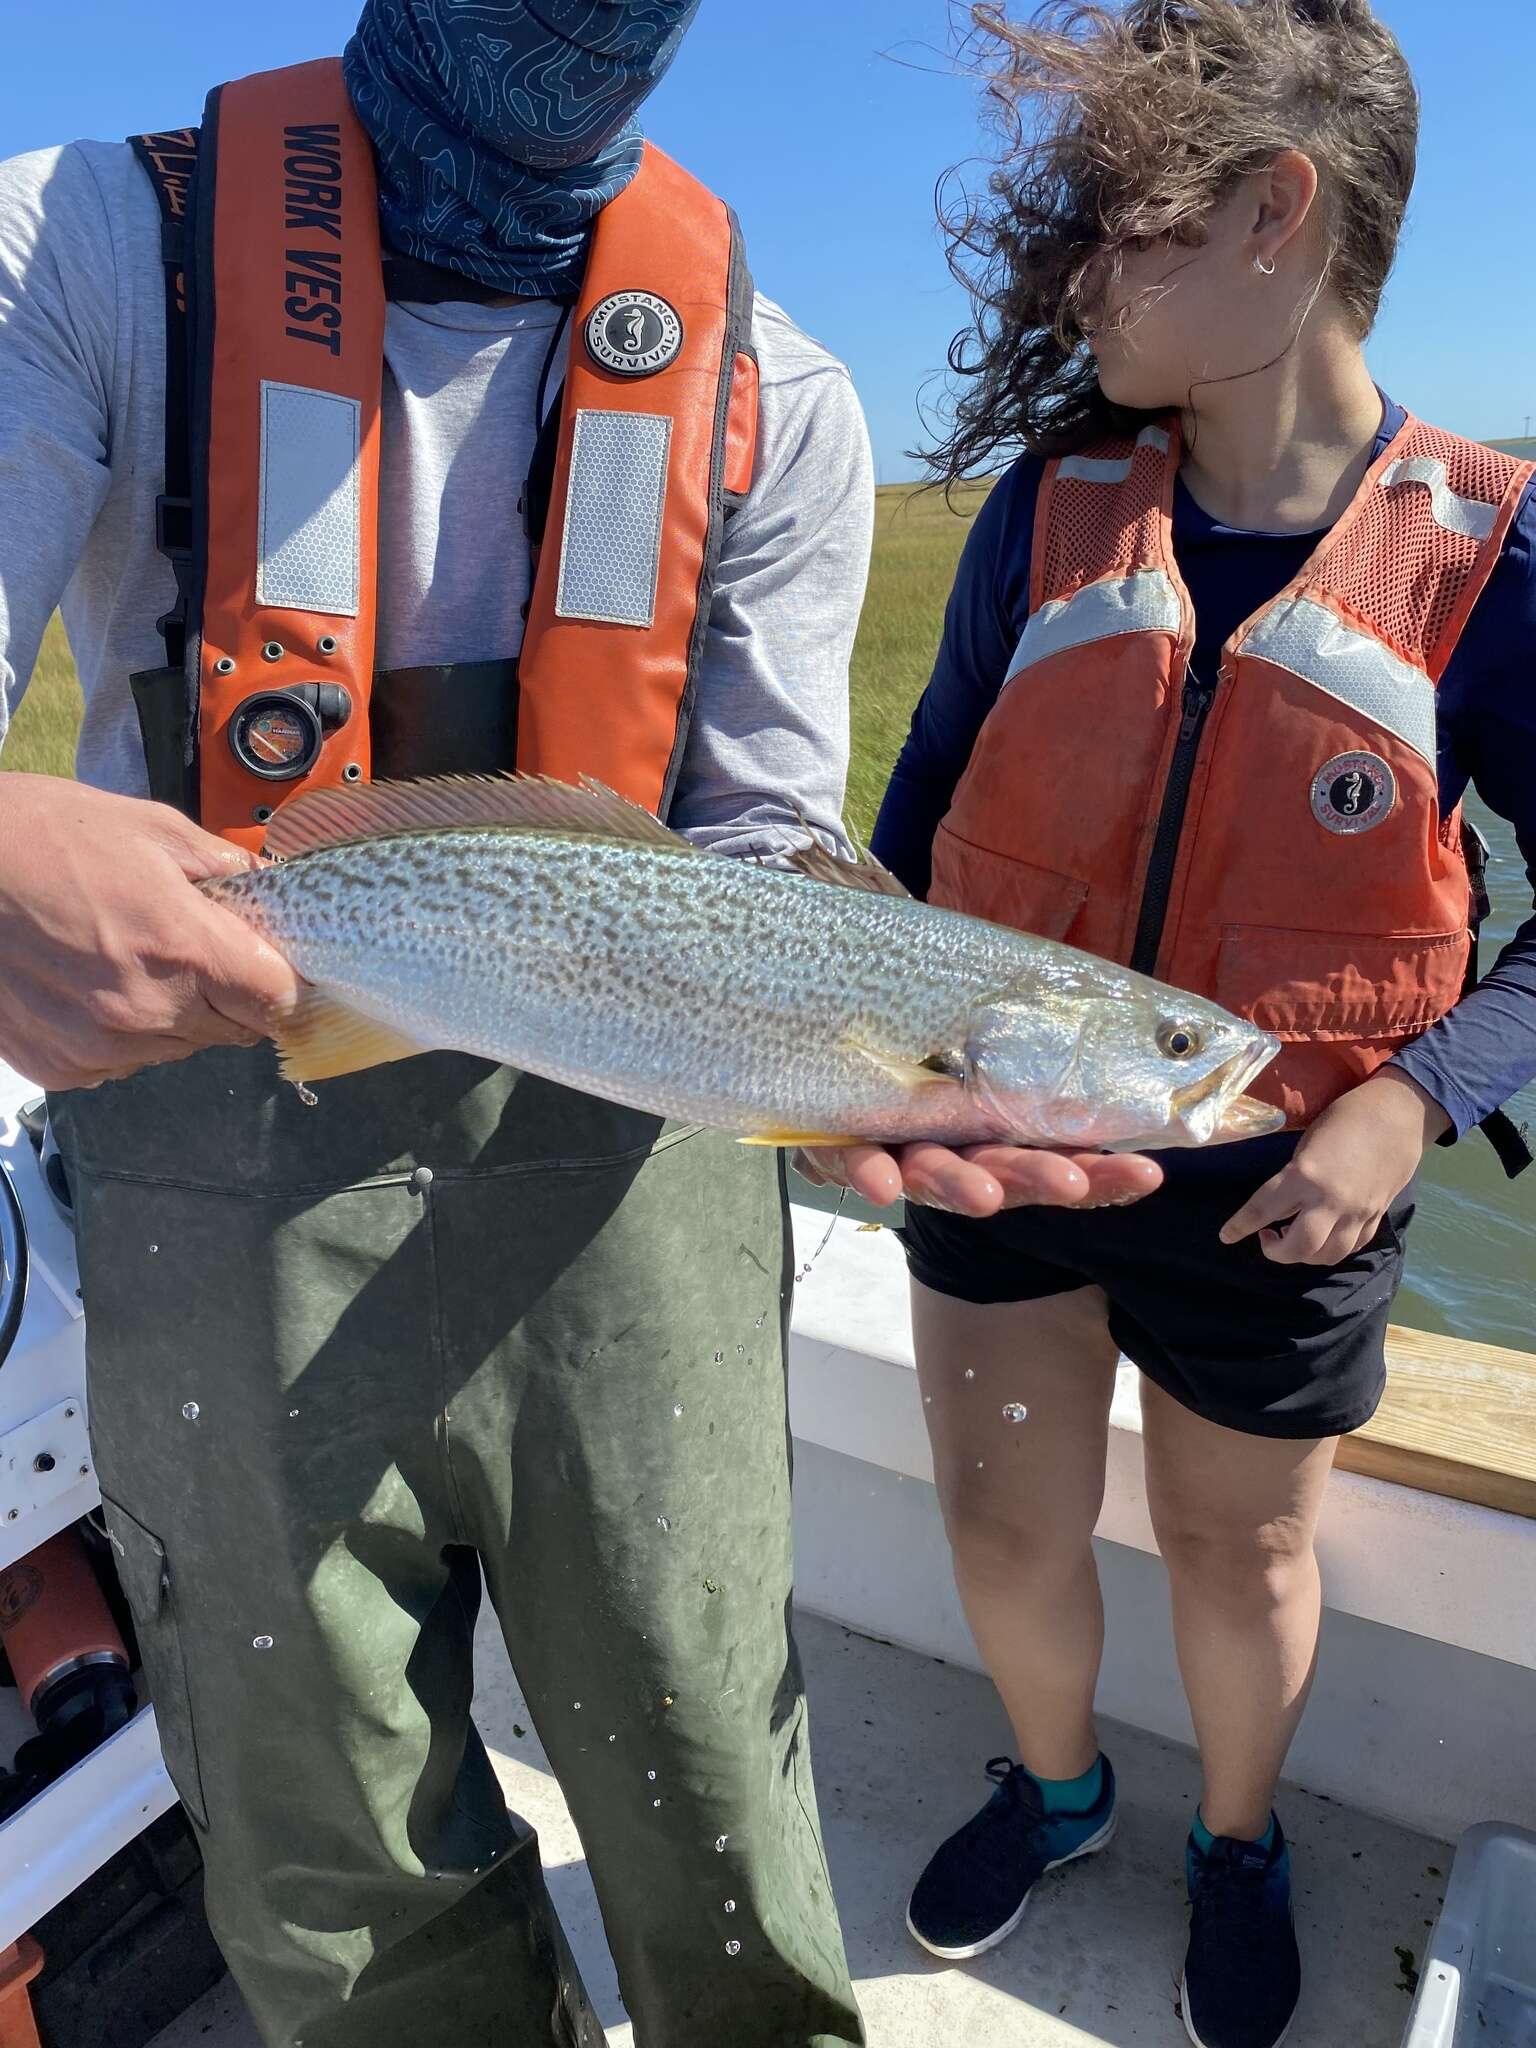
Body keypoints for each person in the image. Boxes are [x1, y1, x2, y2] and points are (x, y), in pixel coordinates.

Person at [0, 5, 874, 2044]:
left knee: (718, 1785)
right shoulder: (84, 247)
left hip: (630, 1180)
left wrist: (865, 1045)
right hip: (212, 1160)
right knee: (339, 1852)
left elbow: (764, 833)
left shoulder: (788, 386)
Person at [799, 2, 1536, 2044]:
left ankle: (1233, 1835)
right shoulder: (1044, 519)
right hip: (995, 1145)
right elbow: (919, 809)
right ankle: (1054, 1792)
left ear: (1279, 221)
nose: (1071, 277)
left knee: (1238, 1555)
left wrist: (1412, 1100)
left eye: (1117, 224)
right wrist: (857, 1046)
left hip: (1279, 1189)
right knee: (995, 1513)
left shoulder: (1495, 556)